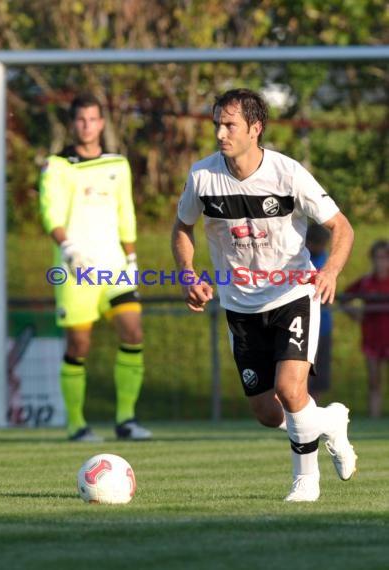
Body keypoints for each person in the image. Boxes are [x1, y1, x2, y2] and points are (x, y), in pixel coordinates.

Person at [172, 88, 357, 502]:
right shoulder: (203, 177)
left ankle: (305, 480)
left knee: (291, 389)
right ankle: (328, 420)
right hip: (239, 305)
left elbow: (342, 227)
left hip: (293, 293)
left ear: (255, 129)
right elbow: (182, 228)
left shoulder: (288, 174)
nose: (220, 132)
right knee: (267, 412)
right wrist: (188, 273)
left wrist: (329, 272)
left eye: (229, 124)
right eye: (217, 123)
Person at [39, 93, 152, 441]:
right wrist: (68, 246)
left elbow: (126, 212)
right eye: (81, 120)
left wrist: (131, 258)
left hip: (116, 266)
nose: (87, 125)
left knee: (133, 332)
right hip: (76, 269)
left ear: (102, 123)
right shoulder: (57, 166)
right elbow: (50, 212)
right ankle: (76, 424)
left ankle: (126, 420)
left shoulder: (118, 164)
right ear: (73, 124)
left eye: (93, 119)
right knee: (78, 345)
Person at [341, 239, 389, 418]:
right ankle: (374, 419)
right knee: (374, 381)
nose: (381, 262)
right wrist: (354, 313)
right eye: (377, 257)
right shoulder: (366, 282)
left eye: (384, 257)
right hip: (372, 338)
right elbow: (344, 297)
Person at [306, 224, 333, 403]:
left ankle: (313, 411)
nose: (321, 248)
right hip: (301, 325)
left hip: (322, 327)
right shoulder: (301, 260)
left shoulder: (326, 259)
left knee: (318, 376)